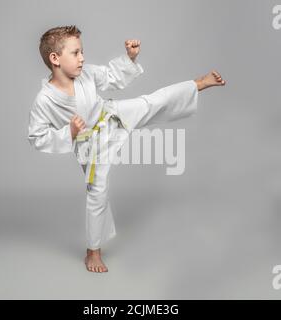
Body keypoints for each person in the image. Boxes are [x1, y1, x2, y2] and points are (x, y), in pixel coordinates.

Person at [28, 25, 226, 273]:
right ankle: (93, 252)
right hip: (91, 145)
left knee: (151, 102)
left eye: (82, 51)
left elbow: (111, 76)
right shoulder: (45, 99)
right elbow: (37, 136)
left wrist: (130, 58)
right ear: (55, 58)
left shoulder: (86, 74)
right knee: (97, 194)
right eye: (76, 53)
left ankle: (197, 84)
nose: (83, 58)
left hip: (109, 115)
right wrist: (68, 132)